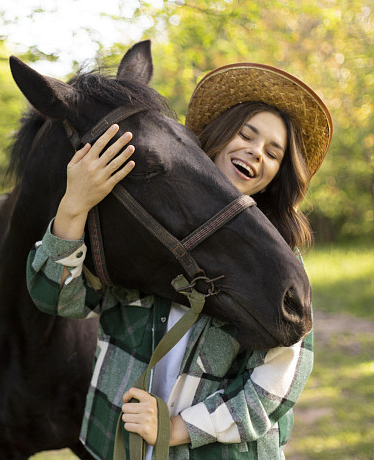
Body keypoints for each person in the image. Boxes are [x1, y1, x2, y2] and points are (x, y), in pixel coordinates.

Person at [26, 63, 332, 459]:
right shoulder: (150, 227)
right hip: (118, 446)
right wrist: (74, 207)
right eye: (246, 135)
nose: (257, 152)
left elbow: (275, 384)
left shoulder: (277, 261)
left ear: (276, 174)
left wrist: (177, 428)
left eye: (273, 154)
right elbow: (62, 300)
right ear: (219, 137)